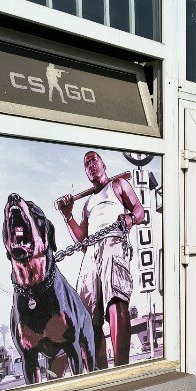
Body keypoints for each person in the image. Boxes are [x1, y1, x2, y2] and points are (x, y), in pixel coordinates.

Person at [57, 151, 145, 368]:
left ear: (103, 164)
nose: (91, 165)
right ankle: (100, 372)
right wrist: (67, 216)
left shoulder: (118, 185)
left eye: (94, 160)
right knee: (88, 318)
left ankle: (121, 369)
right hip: (90, 254)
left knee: (116, 300)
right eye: (86, 164)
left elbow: (139, 209)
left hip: (113, 242)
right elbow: (82, 240)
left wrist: (131, 218)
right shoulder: (87, 204)